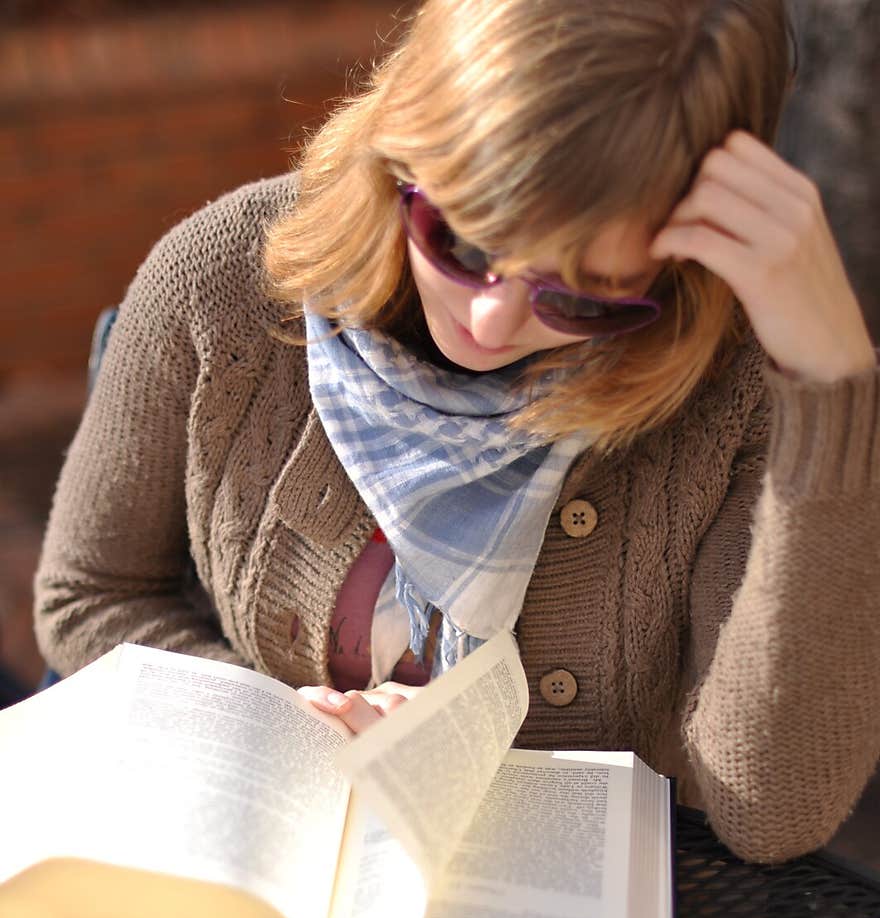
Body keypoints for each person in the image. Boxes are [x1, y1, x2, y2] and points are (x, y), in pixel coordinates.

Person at [34, 0, 879, 866]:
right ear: (406, 140)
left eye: (584, 294)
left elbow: (773, 811)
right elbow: (88, 598)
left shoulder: (730, 389)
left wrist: (832, 388)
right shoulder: (220, 288)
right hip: (258, 860)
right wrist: (303, 736)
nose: (492, 317)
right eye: (465, 241)